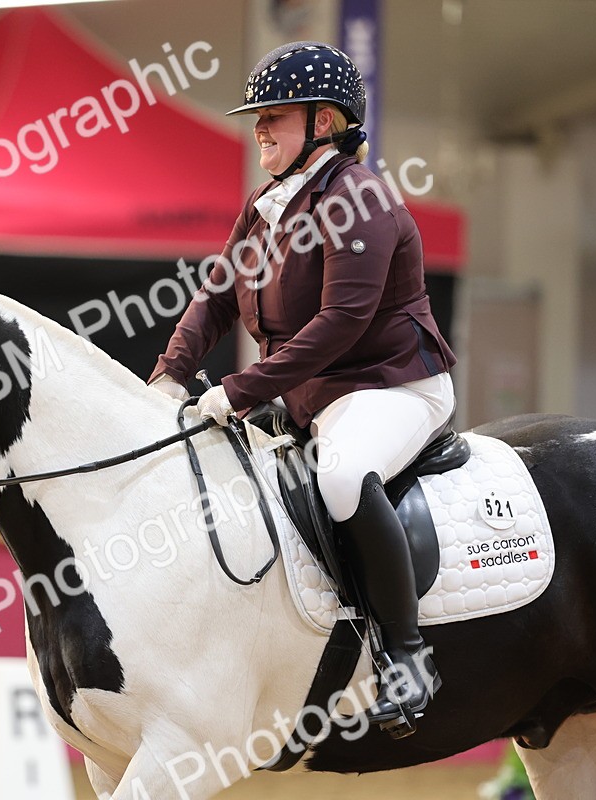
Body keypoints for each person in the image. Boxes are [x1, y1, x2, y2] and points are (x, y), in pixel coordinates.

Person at [147, 41, 456, 726]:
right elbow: (217, 294)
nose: (259, 127)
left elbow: (342, 322)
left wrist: (241, 389)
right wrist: (169, 374)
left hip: (393, 389)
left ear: (325, 122)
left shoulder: (362, 198)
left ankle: (407, 658)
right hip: (312, 399)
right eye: (258, 116)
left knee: (343, 477)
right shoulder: (266, 204)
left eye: (275, 115)